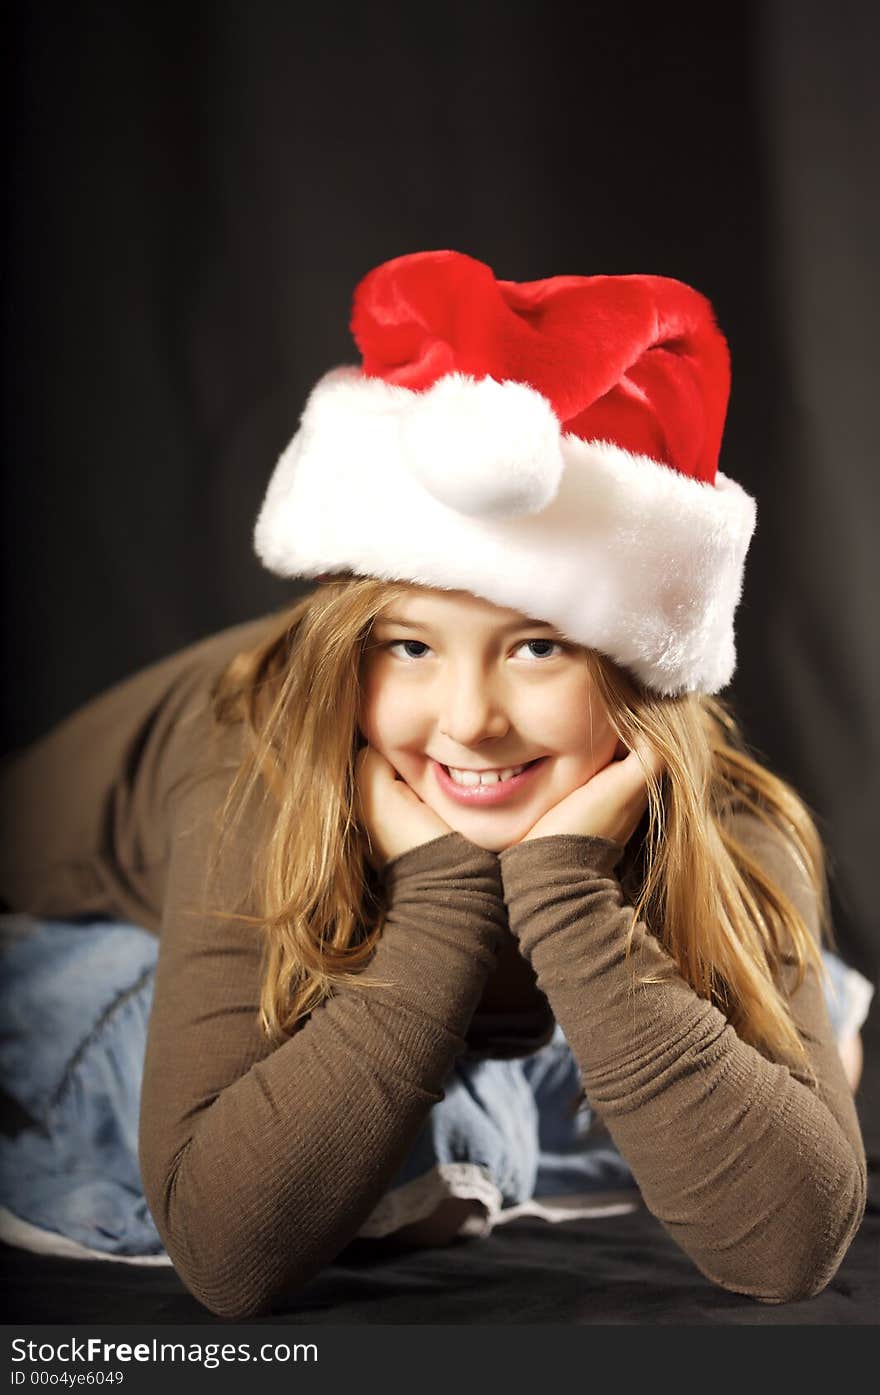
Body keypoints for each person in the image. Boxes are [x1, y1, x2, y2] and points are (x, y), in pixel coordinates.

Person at [0, 250, 872, 1321]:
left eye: (539, 648)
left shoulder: (730, 820)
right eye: (408, 647)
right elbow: (226, 1258)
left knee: (773, 1002)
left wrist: (566, 896)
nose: (467, 719)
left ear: (640, 671)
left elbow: (788, 1250)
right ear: (349, 652)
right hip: (83, 931)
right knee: (206, 1104)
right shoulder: (259, 772)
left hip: (492, 964)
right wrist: (448, 896)